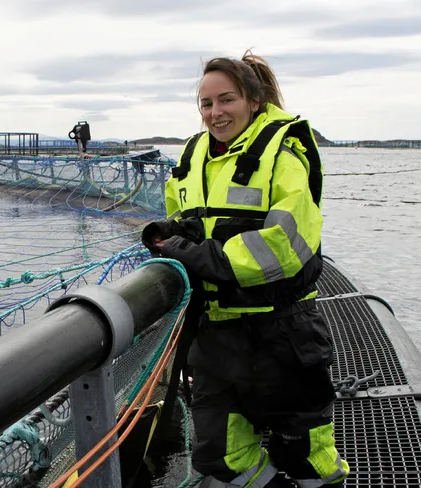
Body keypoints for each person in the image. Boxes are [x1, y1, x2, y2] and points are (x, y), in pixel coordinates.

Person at [142, 50, 348, 487]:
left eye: (226, 100)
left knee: (306, 456)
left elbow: (288, 245)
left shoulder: (283, 151)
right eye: (206, 103)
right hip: (216, 336)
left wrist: (202, 258)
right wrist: (171, 232)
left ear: (253, 100)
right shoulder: (195, 152)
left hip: (282, 335)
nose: (215, 113)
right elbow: (190, 216)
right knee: (222, 457)